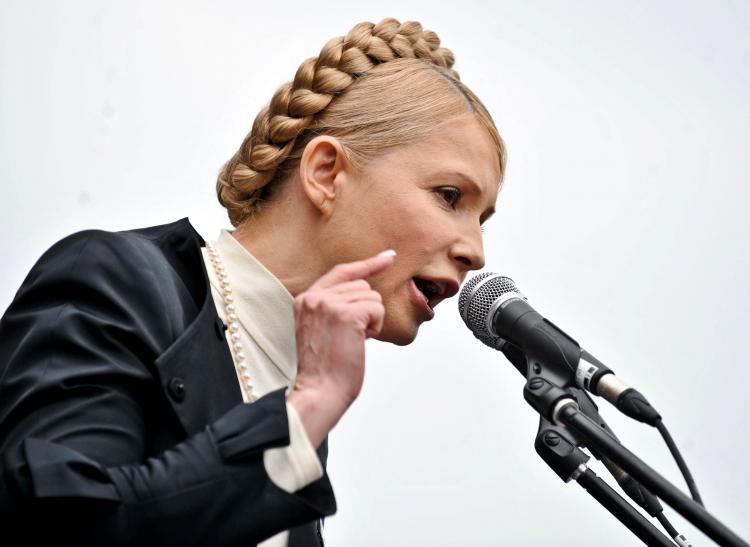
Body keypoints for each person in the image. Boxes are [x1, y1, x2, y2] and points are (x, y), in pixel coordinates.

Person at [0, 17, 505, 546]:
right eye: (450, 196)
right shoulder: (114, 279)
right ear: (326, 172)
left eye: (482, 218)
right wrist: (306, 410)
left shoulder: (301, 405)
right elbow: (58, 522)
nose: (475, 252)